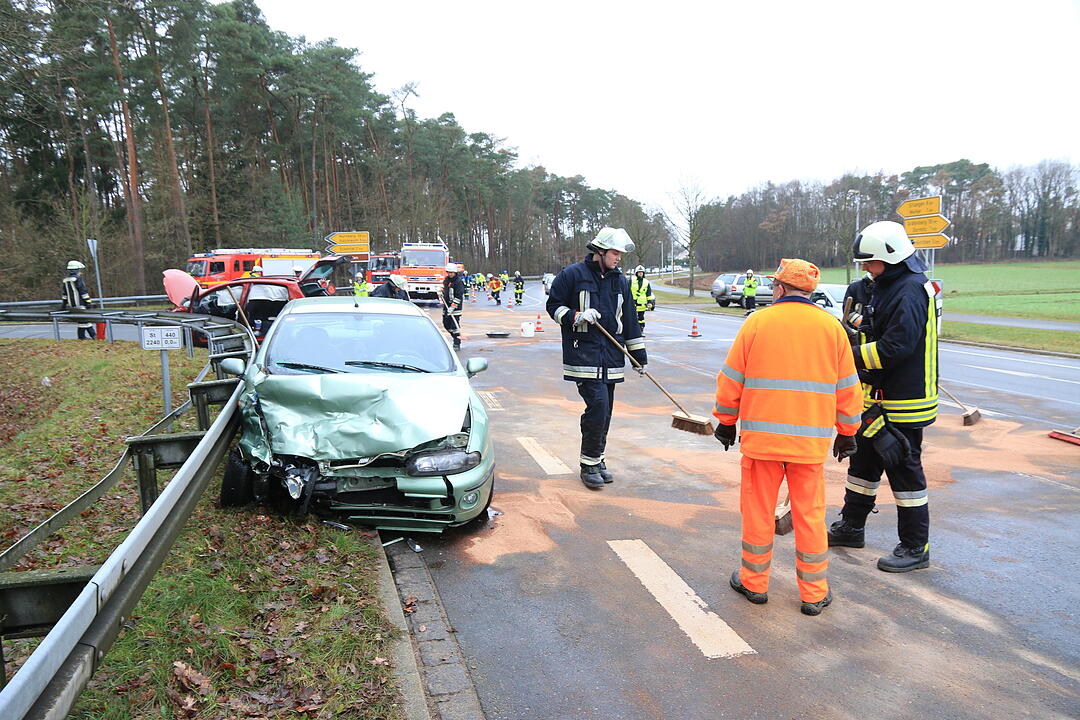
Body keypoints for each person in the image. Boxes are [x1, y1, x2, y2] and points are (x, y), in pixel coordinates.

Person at [714, 258, 862, 616]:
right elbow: (848, 387)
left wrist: (726, 420)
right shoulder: (831, 328)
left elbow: (732, 377)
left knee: (758, 512)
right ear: (810, 292)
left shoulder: (757, 322)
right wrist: (848, 432)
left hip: (762, 442)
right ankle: (813, 594)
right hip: (809, 444)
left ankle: (754, 584)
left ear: (779, 288)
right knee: (809, 515)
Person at [827, 221, 939, 573]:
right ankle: (852, 527)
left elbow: (896, 348)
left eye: (870, 262)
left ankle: (914, 546)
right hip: (874, 397)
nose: (866, 269)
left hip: (905, 401)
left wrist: (850, 357)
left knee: (904, 473)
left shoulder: (911, 290)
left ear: (891, 258)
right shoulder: (884, 286)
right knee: (863, 466)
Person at [546, 227, 646, 489]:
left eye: (621, 254)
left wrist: (639, 356)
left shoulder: (620, 281)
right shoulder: (572, 275)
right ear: (599, 251)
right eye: (615, 253)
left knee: (607, 412)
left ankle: (598, 458)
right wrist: (576, 316)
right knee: (598, 407)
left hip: (612, 357)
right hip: (583, 354)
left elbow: (630, 320)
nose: (618, 258)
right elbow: (553, 306)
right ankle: (588, 464)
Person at [60, 260, 96, 339]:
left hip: (71, 305)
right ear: (76, 269)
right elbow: (83, 291)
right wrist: (88, 302)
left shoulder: (65, 280)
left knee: (83, 320)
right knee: (84, 320)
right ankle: (88, 336)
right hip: (80, 303)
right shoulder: (78, 278)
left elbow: (64, 294)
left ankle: (88, 336)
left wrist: (64, 304)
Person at [442, 263, 465, 349]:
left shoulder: (458, 282)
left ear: (455, 272)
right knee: (446, 324)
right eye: (448, 272)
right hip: (446, 306)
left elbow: (459, 296)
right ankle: (455, 336)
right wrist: (442, 292)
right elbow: (446, 291)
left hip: (455, 308)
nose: (450, 274)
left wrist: (452, 307)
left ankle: (457, 342)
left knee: (454, 326)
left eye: (451, 272)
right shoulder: (447, 280)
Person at [630, 265, 656, 334]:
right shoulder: (632, 280)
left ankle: (641, 330)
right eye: (639, 272)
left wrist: (649, 302)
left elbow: (648, 293)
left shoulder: (646, 282)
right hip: (632, 302)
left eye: (642, 272)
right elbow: (627, 290)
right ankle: (633, 331)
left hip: (642, 303)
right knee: (632, 317)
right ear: (636, 273)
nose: (640, 274)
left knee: (641, 318)